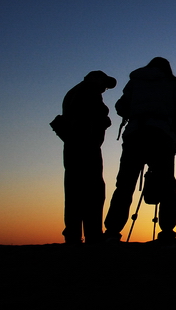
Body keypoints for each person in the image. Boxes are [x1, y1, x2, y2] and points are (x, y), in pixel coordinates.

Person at [104, 57, 176, 243]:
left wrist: (135, 112)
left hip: (135, 135)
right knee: (166, 183)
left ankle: (112, 231)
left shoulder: (135, 80)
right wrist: (173, 123)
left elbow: (120, 106)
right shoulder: (172, 83)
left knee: (125, 184)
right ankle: (167, 231)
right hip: (161, 136)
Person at [61, 70, 116, 244]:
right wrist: (105, 121)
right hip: (86, 147)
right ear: (96, 79)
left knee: (74, 193)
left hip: (73, 147)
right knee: (93, 192)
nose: (104, 89)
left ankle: (73, 236)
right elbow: (93, 115)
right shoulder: (89, 91)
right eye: (104, 85)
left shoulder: (74, 92)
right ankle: (93, 236)